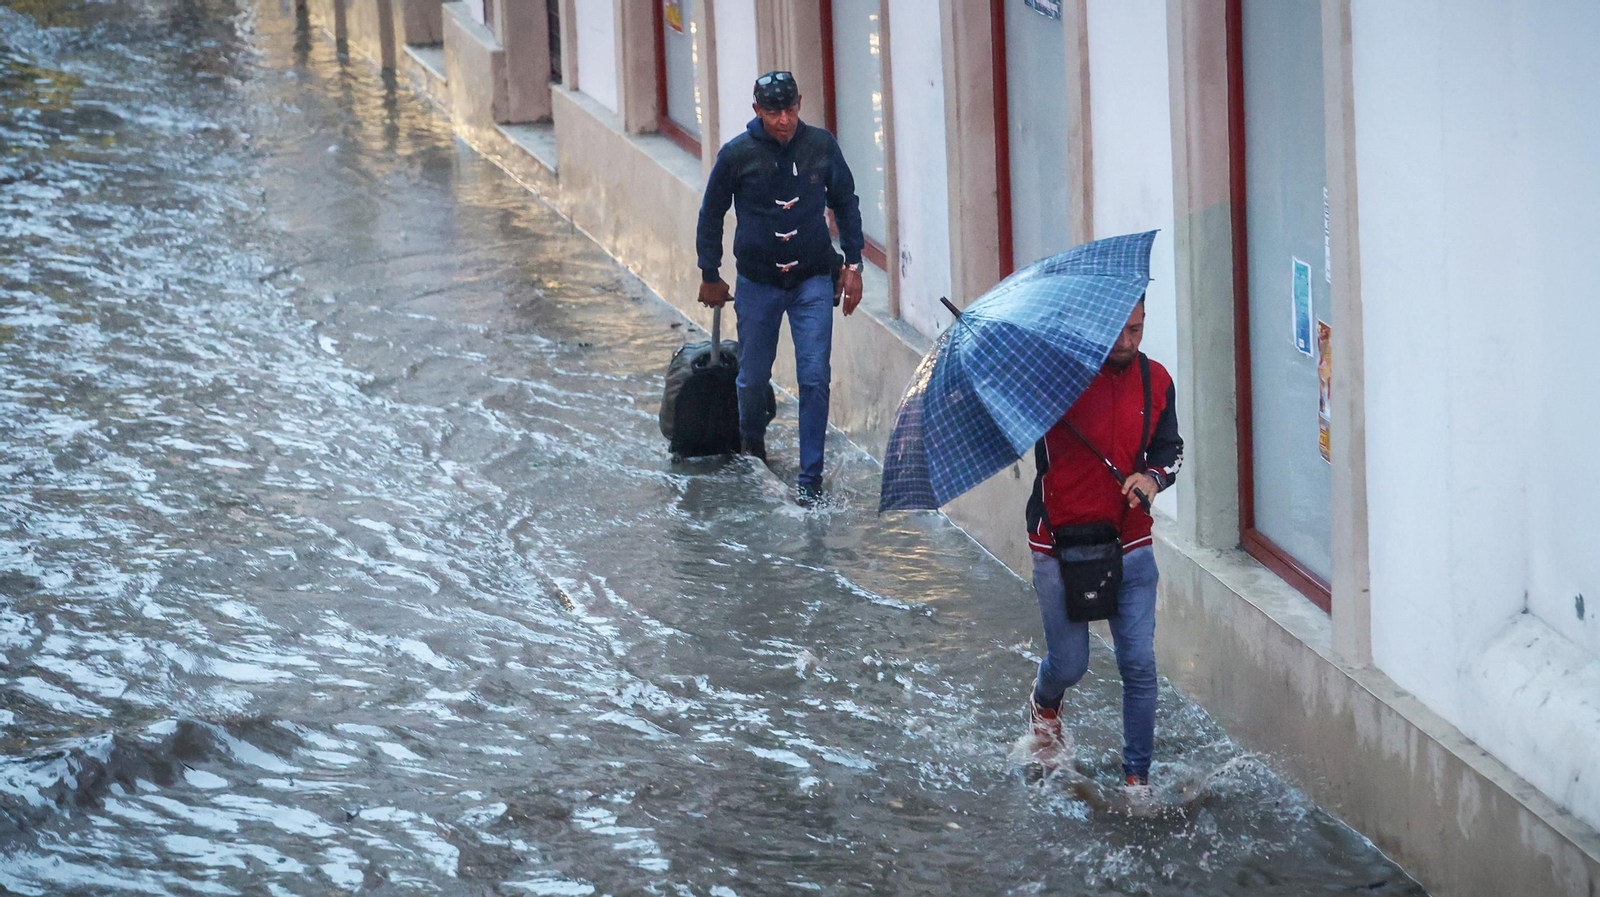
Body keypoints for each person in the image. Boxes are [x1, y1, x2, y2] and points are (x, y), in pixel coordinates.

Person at [1022, 299, 1183, 808]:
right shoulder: (1054, 380)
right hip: (1059, 541)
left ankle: (1137, 779)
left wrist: (1153, 479)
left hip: (1131, 538)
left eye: (1137, 329)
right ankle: (1046, 703)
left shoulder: (1156, 380)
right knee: (1071, 665)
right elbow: (1018, 426)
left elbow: (1170, 449)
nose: (1128, 342)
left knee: (1138, 663)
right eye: (1118, 332)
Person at [695, 70, 865, 506]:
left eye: (790, 109)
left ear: (800, 103)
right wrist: (709, 273)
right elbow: (711, 213)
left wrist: (854, 264)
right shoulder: (736, 155)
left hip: (811, 279)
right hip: (758, 283)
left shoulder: (821, 146)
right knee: (752, 378)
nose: (784, 119)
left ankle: (811, 478)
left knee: (814, 377)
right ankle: (752, 442)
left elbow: (845, 202)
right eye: (773, 111)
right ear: (757, 111)